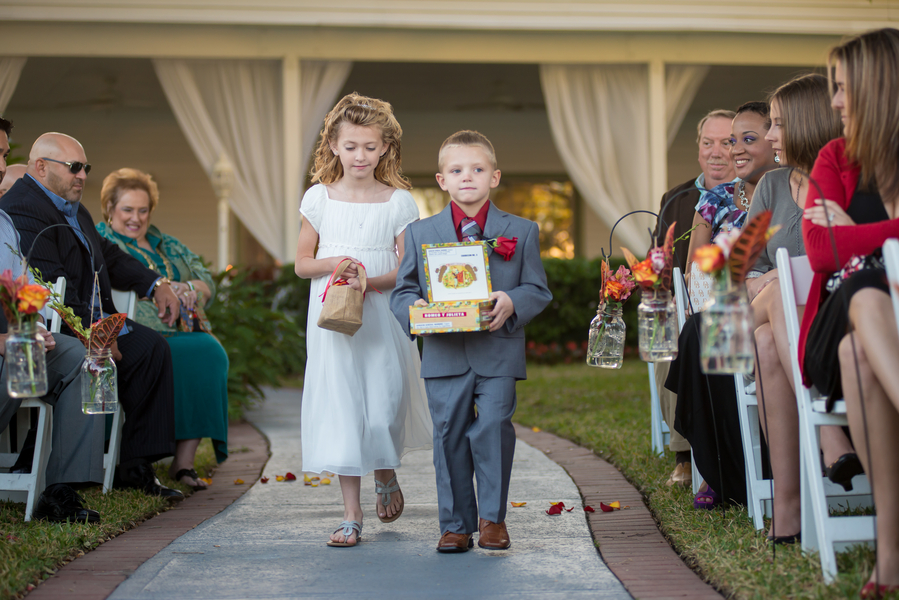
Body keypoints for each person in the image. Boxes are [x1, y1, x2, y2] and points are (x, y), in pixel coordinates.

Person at [391, 130, 552, 553]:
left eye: (477, 169)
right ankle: (456, 524)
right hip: (444, 355)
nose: (468, 177)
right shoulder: (419, 232)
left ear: (494, 177)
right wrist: (419, 310)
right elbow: (403, 291)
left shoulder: (522, 230)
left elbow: (538, 288)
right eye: (457, 170)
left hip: (498, 350)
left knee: (495, 427)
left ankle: (492, 520)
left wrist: (513, 300)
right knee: (448, 435)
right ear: (441, 180)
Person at [0, 132, 184, 501]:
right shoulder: (23, 208)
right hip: (71, 323)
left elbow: (110, 256)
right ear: (40, 167)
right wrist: (94, 335)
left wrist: (156, 283)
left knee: (152, 350)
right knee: (95, 362)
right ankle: (45, 467)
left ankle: (133, 465)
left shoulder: (74, 206)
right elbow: (51, 286)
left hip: (87, 322)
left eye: (85, 167)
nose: (82, 175)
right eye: (73, 168)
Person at [295, 93, 433, 547]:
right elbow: (301, 263)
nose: (360, 156)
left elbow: (405, 269)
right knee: (344, 408)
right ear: (333, 144)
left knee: (383, 403)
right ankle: (351, 513)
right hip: (332, 313)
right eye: (351, 145)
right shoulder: (318, 198)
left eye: (370, 147)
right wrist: (336, 263)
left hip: (381, 312)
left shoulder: (399, 202)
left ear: (386, 148)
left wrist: (370, 282)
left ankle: (386, 471)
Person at [799, 28, 899, 598]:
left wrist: (857, 232)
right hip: (844, 306)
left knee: (858, 354)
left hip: (870, 339)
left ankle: (891, 552)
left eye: (843, 87)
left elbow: (841, 242)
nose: (834, 101)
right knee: (863, 292)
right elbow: (818, 251)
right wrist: (882, 240)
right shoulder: (835, 157)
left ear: (879, 87)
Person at [746, 73, 848, 544]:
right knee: (772, 309)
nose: (769, 137)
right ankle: (827, 439)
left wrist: (785, 272)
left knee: (767, 338)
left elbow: (845, 254)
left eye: (779, 125)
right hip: (771, 307)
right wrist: (767, 277)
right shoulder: (770, 187)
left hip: (827, 316)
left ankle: (788, 508)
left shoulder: (849, 177)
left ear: (810, 123)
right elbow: (734, 269)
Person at [667, 101, 778, 509]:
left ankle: (729, 471)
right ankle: (720, 466)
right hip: (724, 300)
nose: (733, 150)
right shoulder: (715, 199)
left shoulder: (783, 190)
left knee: (703, 335)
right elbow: (697, 268)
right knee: (702, 331)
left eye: (746, 140)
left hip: (765, 305)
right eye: (733, 141)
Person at [97, 168, 229, 491]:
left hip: (185, 331)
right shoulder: (103, 242)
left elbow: (205, 279)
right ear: (110, 209)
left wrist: (187, 288)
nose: (136, 218)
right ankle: (144, 454)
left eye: (143, 210)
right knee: (173, 352)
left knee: (210, 351)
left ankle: (183, 463)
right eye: (127, 209)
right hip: (141, 333)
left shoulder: (166, 244)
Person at [0, 118, 105, 522]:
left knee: (85, 360)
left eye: (4, 154)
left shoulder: (3, 224)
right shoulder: (20, 213)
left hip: (15, 346)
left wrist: (35, 324)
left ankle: (61, 491)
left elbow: (23, 287)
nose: (2, 164)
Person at [652, 108, 736, 488]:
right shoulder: (677, 198)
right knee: (666, 336)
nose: (716, 151)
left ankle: (722, 451)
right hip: (684, 303)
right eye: (708, 142)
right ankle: (685, 455)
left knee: (710, 332)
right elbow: (661, 262)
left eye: (728, 142)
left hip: (732, 302)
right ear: (698, 148)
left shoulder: (755, 191)